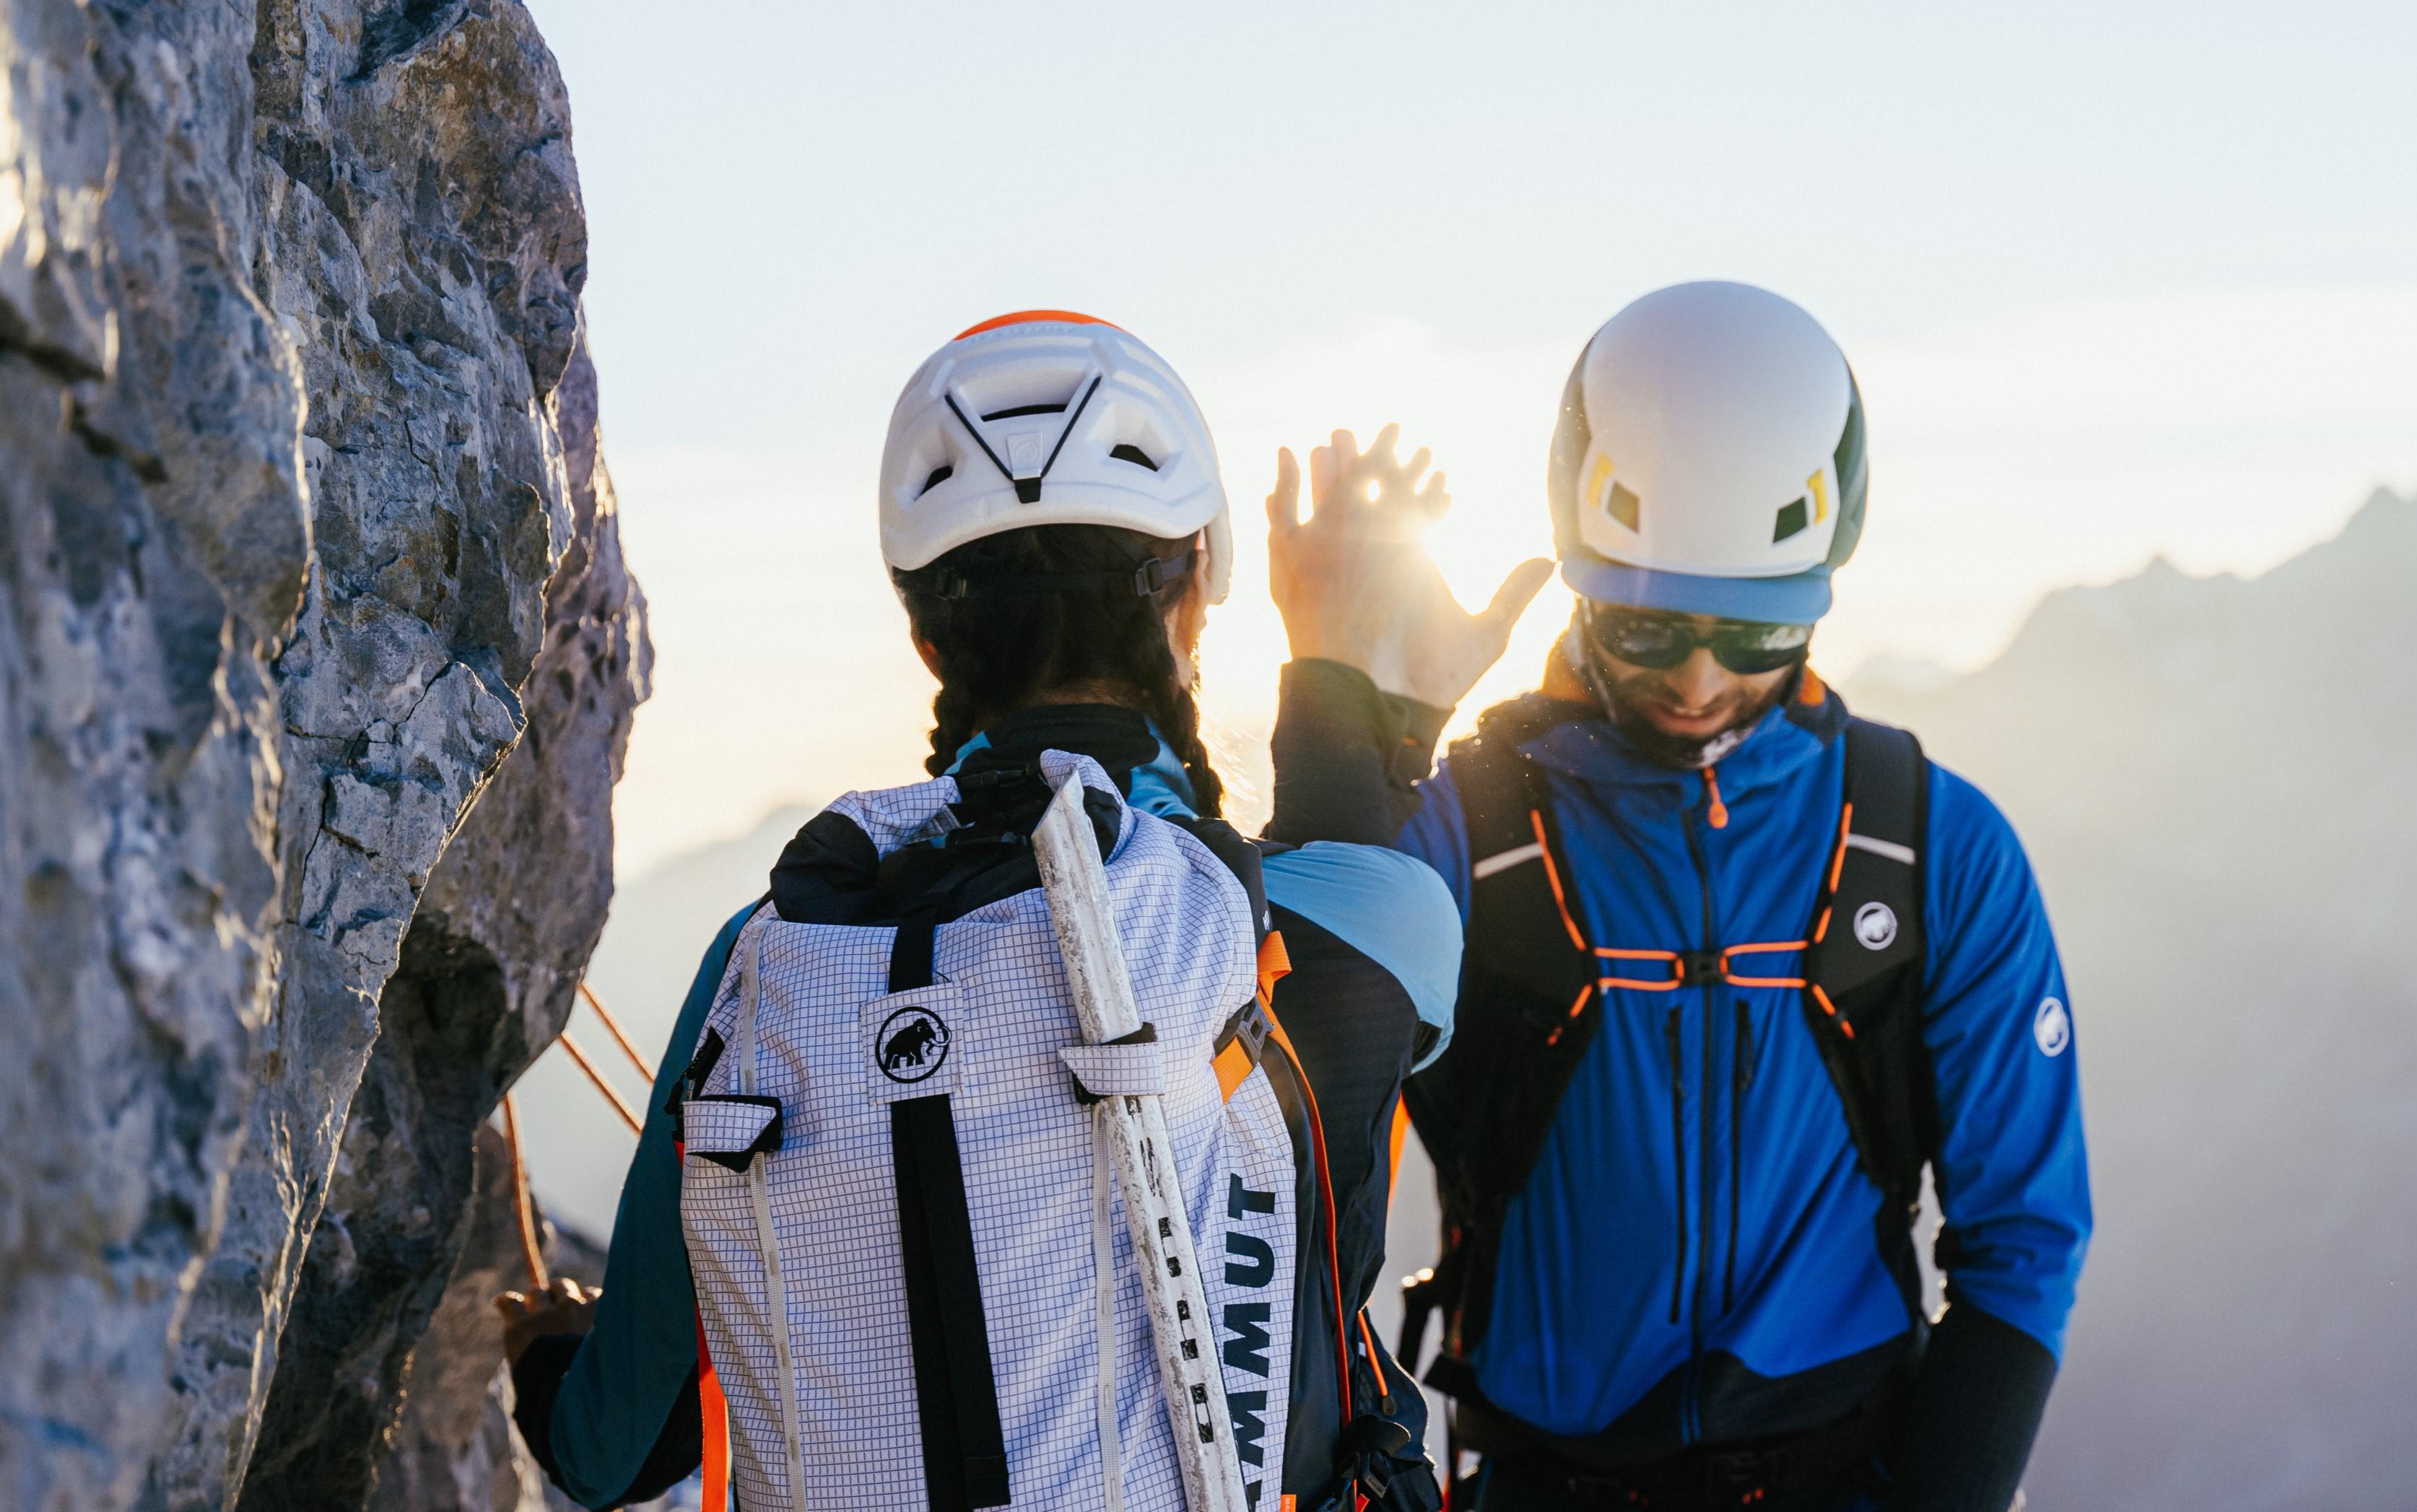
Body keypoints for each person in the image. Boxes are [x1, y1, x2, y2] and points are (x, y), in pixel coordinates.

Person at [498, 312, 1452, 1512]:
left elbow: (614, 1451)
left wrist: (545, 1358)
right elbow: (1361, 888)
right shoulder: (1348, 931)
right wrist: (1348, 674)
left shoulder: (773, 956)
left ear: (927, 633)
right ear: (1201, 585)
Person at [1262, 281, 2092, 1512]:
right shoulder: (1467, 824)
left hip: (1846, 1477)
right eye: (1648, 630)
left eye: (1752, 634)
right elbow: (1275, 1065)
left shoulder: (1928, 847)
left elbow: (2022, 1245)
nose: (1699, 679)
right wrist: (1363, 707)